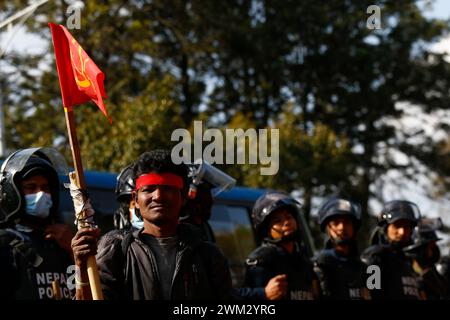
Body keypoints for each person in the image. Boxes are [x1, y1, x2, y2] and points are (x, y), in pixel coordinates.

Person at [71, 149, 233, 300]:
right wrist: (81, 267)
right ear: (135, 198)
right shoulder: (116, 251)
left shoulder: (209, 256)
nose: (158, 196)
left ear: (183, 197)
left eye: (168, 188)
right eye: (148, 189)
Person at [0, 147, 74, 300]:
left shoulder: (63, 241)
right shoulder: (4, 245)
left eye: (46, 188)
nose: (41, 194)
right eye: (31, 187)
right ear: (13, 193)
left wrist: (73, 251)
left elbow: (87, 290)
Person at [242, 191, 320, 300]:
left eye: (289, 217)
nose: (287, 222)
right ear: (267, 230)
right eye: (278, 220)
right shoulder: (261, 260)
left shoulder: (303, 260)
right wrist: (264, 295)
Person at [361, 200, 423, 300]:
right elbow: (371, 294)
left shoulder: (408, 262)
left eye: (407, 227)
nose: (402, 232)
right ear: (386, 228)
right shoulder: (376, 257)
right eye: (397, 226)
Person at [313, 198, 370, 300]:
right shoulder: (318, 264)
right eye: (335, 223)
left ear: (354, 227)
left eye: (347, 222)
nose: (341, 227)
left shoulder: (366, 268)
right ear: (327, 229)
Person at [404, 218, 448, 299]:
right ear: (419, 250)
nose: (432, 252)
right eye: (430, 247)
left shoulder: (432, 271)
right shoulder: (406, 272)